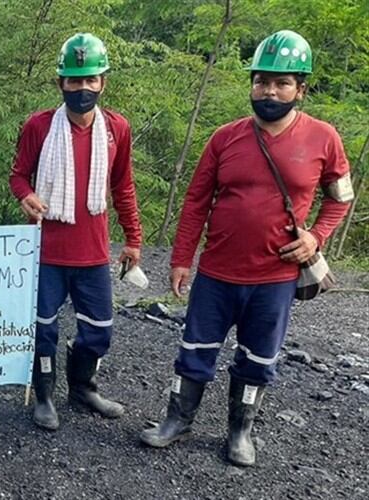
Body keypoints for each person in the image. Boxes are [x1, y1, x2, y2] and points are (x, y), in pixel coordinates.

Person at [139, 30, 353, 466]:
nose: (269, 91)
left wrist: (316, 235)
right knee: (195, 349)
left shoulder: (324, 138)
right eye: (262, 81)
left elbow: (340, 197)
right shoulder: (225, 138)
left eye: (281, 82)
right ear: (251, 83)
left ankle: (240, 431)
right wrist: (182, 259)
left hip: (274, 278)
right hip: (217, 272)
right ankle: (177, 420)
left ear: (301, 88)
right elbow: (196, 200)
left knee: (258, 358)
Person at [9, 33, 143, 430]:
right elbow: (18, 175)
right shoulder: (38, 126)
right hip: (47, 249)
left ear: (102, 82)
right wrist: (27, 195)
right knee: (43, 328)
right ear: (61, 83)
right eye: (74, 80)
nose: (82, 88)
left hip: (93, 251)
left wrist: (133, 238)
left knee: (99, 330)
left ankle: (82, 387)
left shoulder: (116, 129)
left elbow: (124, 185)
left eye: (90, 80)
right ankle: (45, 394)